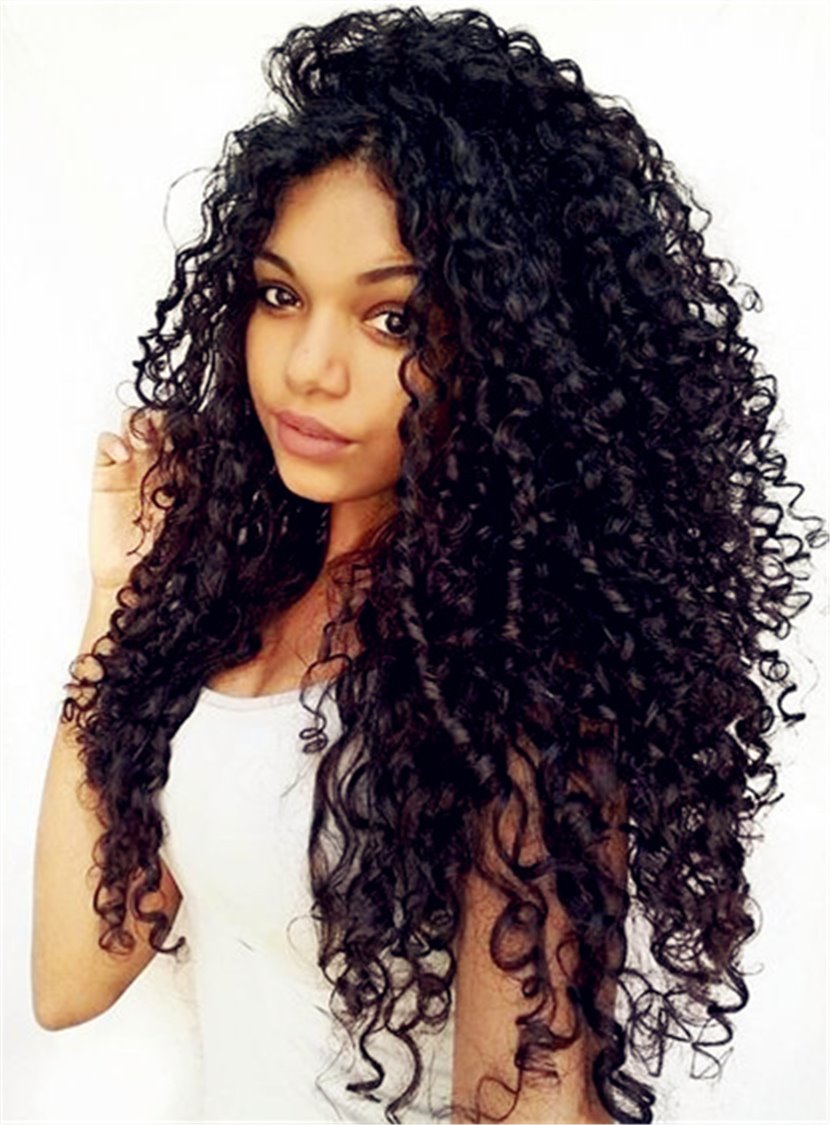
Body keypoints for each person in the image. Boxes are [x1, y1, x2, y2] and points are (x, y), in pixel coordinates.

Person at [30, 6, 826, 1124]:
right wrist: (116, 600)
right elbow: (73, 976)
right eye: (280, 295)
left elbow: (536, 1109)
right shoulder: (234, 603)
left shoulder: (517, 685)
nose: (310, 367)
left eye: (393, 321)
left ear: (507, 346)